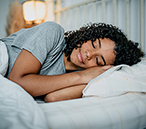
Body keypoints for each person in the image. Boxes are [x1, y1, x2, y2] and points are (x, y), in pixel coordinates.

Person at [1, 21, 144, 103]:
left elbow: (52, 98)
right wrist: (81, 77)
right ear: (89, 36)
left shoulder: (82, 76)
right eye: (94, 44)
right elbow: (16, 82)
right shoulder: (53, 32)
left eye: (98, 60)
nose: (89, 54)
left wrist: (88, 77)